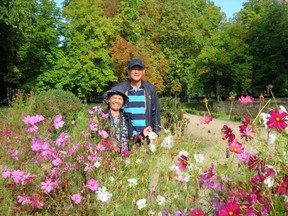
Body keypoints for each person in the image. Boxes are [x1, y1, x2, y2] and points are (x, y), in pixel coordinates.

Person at [115, 58, 161, 140]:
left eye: (139, 69)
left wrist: (156, 133)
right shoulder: (121, 89)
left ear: (143, 72)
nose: (136, 72)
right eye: (133, 69)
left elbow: (155, 113)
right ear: (128, 71)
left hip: (146, 137)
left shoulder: (150, 89)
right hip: (127, 137)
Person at [103, 86, 152, 152]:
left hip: (123, 156)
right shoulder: (102, 116)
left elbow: (130, 139)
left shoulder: (126, 118)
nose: (117, 101)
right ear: (109, 99)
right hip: (106, 155)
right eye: (114, 98)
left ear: (123, 102)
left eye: (120, 99)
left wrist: (142, 134)